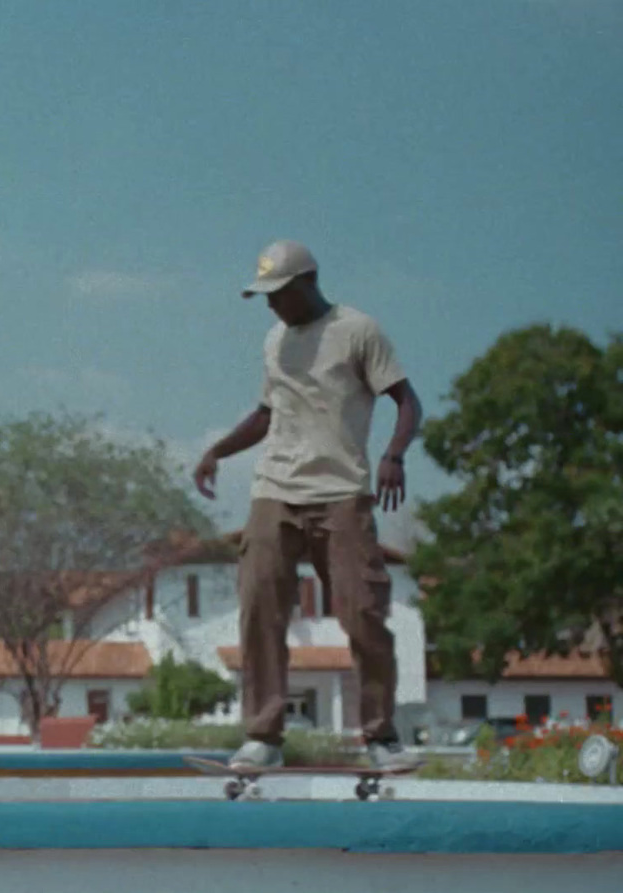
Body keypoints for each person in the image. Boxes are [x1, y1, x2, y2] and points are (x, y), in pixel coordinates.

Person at [193, 239, 425, 773]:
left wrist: (394, 454)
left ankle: (380, 736)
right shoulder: (275, 340)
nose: (272, 305)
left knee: (363, 613)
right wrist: (218, 450)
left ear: (307, 283)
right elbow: (266, 414)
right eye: (265, 296)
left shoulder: (358, 331)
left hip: (341, 493)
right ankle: (263, 738)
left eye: (279, 294)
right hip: (275, 489)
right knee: (260, 608)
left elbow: (407, 400)